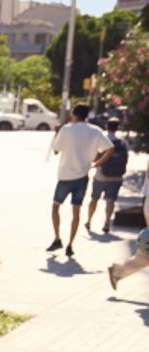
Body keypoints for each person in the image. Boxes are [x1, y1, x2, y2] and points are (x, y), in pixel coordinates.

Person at [49, 103, 113, 258]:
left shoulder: (67, 129)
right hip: (83, 177)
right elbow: (110, 148)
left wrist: (56, 134)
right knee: (76, 211)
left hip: (65, 176)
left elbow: (56, 150)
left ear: (73, 113)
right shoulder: (95, 131)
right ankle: (70, 244)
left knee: (56, 207)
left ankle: (58, 238)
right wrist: (97, 163)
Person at [86, 117, 128, 235]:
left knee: (94, 198)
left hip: (101, 175)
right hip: (117, 176)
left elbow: (96, 157)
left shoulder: (103, 140)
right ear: (118, 127)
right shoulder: (122, 142)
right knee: (110, 200)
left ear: (106, 126)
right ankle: (107, 223)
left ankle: (89, 220)